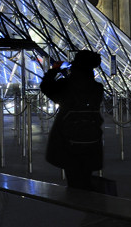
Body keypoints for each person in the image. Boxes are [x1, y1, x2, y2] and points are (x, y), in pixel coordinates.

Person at [40, 50, 105, 191]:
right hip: (91, 135)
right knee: (86, 173)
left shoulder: (65, 86)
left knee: (73, 176)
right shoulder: (98, 88)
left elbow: (45, 87)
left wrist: (54, 70)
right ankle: (89, 197)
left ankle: (80, 199)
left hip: (67, 137)